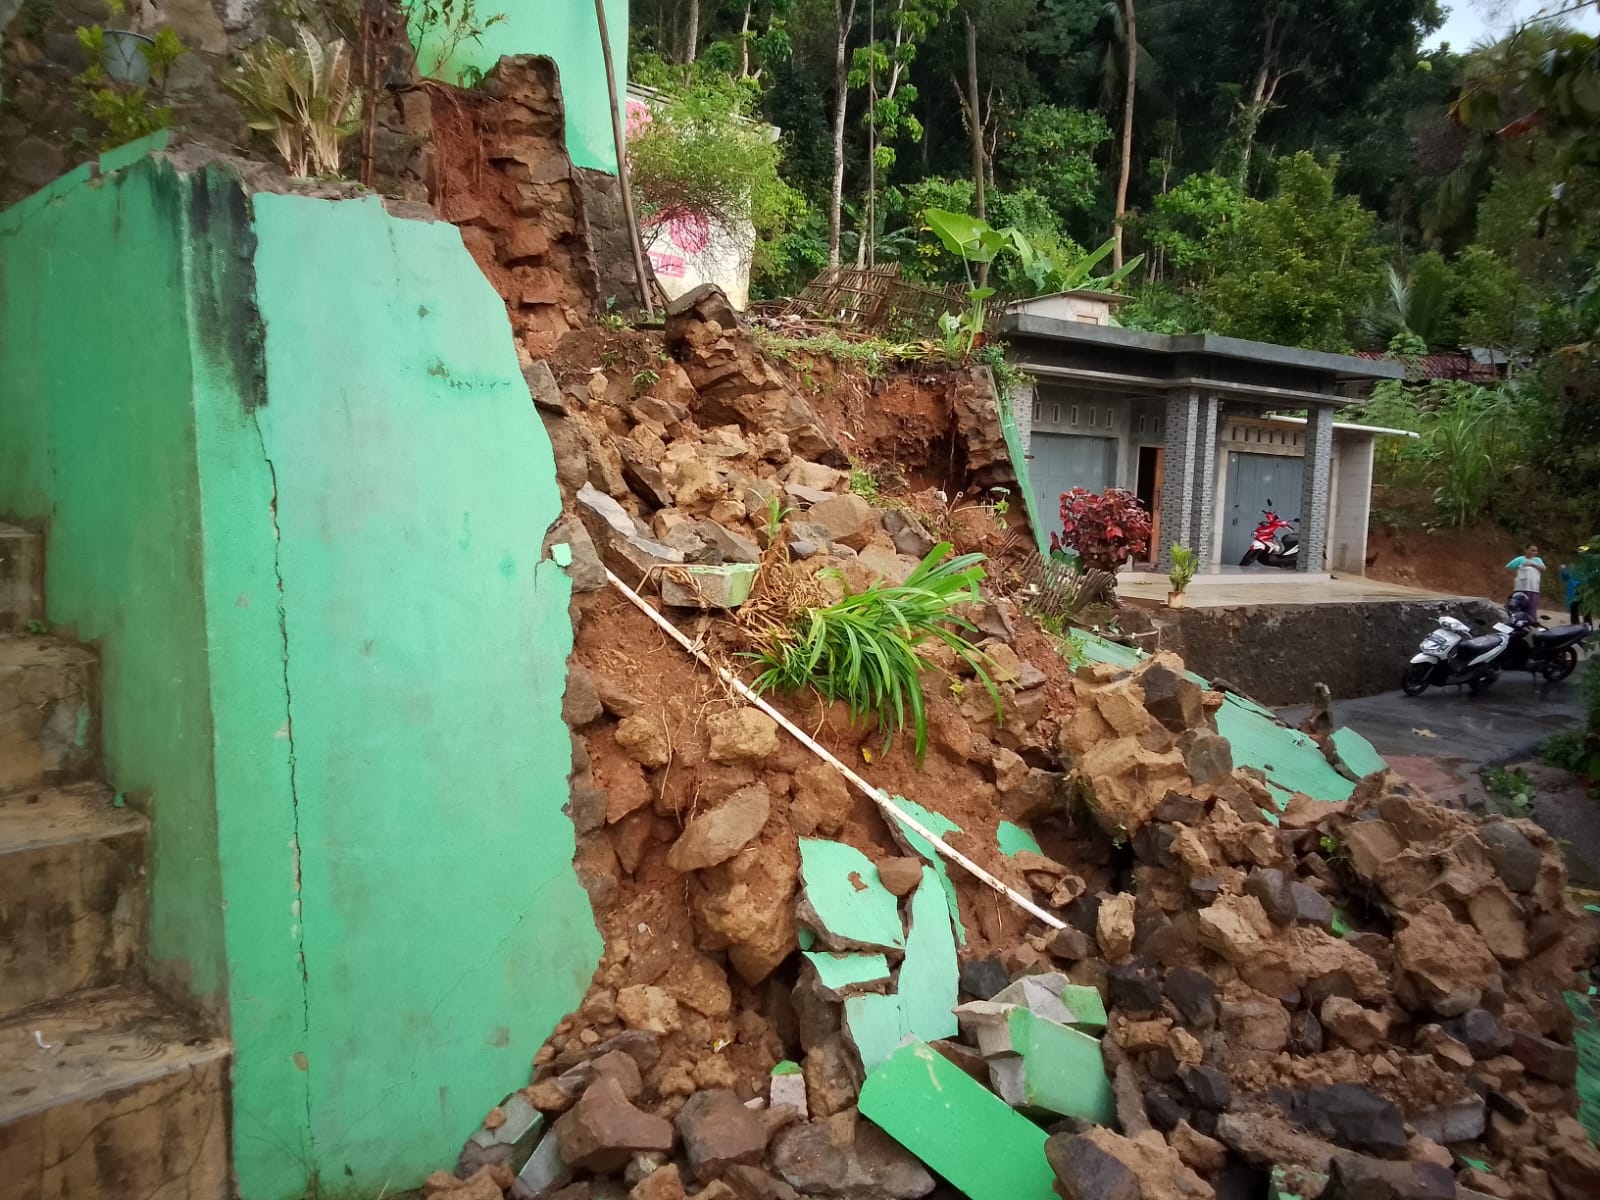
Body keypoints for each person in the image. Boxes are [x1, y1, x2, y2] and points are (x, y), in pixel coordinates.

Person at [1506, 545, 1546, 621]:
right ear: (1526, 550)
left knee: (1532, 606)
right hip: (1521, 587)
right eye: (1531, 550)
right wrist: (1516, 575)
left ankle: (1531, 622)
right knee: (1519, 605)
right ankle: (1516, 621)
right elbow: (1508, 567)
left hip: (1533, 588)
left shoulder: (1538, 560)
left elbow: (1543, 569)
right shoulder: (1520, 559)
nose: (1533, 552)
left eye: (1535, 551)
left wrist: (1532, 564)